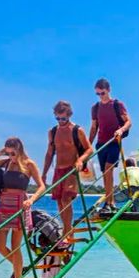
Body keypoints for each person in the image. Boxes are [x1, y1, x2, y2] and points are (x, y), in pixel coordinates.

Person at [0, 137, 46, 278]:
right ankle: (19, 270)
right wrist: (0, 153)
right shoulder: (6, 162)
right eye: (8, 152)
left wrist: (32, 200)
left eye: (13, 152)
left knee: (16, 247)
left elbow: (41, 186)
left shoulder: (29, 164)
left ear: (20, 148)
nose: (11, 155)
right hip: (4, 204)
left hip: (20, 204)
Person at [42, 100, 93, 239]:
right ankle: (67, 229)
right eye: (57, 118)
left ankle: (66, 230)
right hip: (58, 170)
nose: (60, 121)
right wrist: (44, 173)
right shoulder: (52, 132)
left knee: (66, 199)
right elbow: (49, 153)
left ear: (69, 115)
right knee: (59, 201)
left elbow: (89, 149)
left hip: (71, 170)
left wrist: (80, 160)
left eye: (63, 118)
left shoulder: (77, 130)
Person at [89, 78, 132, 212]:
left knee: (109, 169)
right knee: (105, 174)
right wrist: (87, 146)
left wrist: (120, 130)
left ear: (108, 90)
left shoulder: (117, 104)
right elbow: (94, 127)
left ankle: (110, 202)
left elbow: (128, 122)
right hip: (101, 143)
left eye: (102, 93)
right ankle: (109, 202)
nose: (100, 96)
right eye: (98, 94)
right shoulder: (95, 108)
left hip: (114, 142)